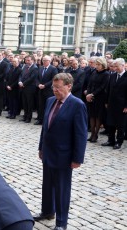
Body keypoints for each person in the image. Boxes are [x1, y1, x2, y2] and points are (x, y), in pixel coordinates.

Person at [34, 73, 87, 230]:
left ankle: (61, 222)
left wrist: (77, 159)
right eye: (53, 87)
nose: (55, 90)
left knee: (62, 189)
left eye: (58, 87)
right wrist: (41, 147)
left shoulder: (77, 105)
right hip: (48, 152)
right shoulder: (50, 101)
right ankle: (48, 211)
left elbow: (81, 134)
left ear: (69, 86)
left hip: (64, 155)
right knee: (47, 185)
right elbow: (46, 128)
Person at [102, 58, 127, 150]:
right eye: (114, 66)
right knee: (110, 123)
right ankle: (110, 140)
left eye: (117, 66)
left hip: (122, 105)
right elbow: (108, 90)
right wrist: (106, 101)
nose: (115, 68)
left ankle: (119, 142)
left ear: (123, 65)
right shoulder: (112, 76)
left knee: (120, 125)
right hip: (111, 104)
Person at [85, 57, 109, 142]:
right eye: (96, 64)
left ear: (103, 65)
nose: (97, 66)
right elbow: (90, 84)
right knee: (92, 115)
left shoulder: (106, 74)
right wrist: (88, 93)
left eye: (98, 64)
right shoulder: (94, 72)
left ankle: (95, 134)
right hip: (91, 97)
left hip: (100, 97)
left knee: (98, 116)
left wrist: (92, 94)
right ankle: (92, 133)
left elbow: (103, 87)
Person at [35, 55, 58, 125]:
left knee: (48, 106)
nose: (44, 62)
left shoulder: (53, 69)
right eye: (43, 60)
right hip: (40, 90)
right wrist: (38, 84)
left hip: (48, 90)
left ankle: (47, 120)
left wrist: (45, 85)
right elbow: (36, 78)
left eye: (46, 60)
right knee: (40, 105)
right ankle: (40, 119)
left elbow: (53, 79)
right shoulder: (40, 68)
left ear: (49, 61)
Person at [19, 55, 38, 123]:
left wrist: (23, 83)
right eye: (26, 60)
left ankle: (28, 117)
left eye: (29, 60)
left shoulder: (35, 68)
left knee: (29, 103)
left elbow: (32, 78)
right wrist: (20, 81)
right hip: (23, 88)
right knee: (24, 103)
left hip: (30, 88)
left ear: (32, 60)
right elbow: (21, 75)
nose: (27, 61)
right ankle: (25, 116)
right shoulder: (25, 66)